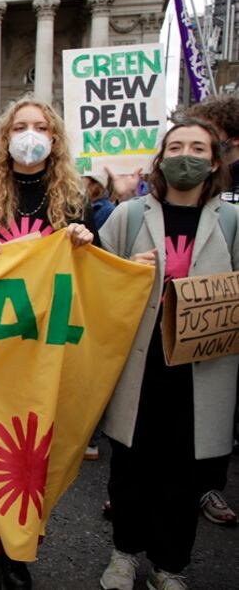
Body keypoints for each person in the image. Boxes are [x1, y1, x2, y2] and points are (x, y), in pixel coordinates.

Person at [0, 97, 95, 589]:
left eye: (40, 127)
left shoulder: (72, 202)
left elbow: (95, 278)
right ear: (5, 137)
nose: (30, 135)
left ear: (54, 139)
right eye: (20, 127)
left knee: (29, 457)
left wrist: (85, 243)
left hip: (43, 351)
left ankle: (18, 551)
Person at [96, 117, 237, 590]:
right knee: (130, 468)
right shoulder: (130, 215)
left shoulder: (231, 221)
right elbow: (97, 282)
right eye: (176, 147)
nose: (185, 156)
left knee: (185, 476)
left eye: (197, 148)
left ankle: (169, 565)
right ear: (161, 158)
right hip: (140, 366)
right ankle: (123, 555)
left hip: (201, 370)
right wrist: (124, 270)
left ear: (214, 162)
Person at [180, 96, 239, 528]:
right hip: (181, 321)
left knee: (218, 408)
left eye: (204, 140)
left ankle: (208, 486)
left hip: (222, 322)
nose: (191, 151)